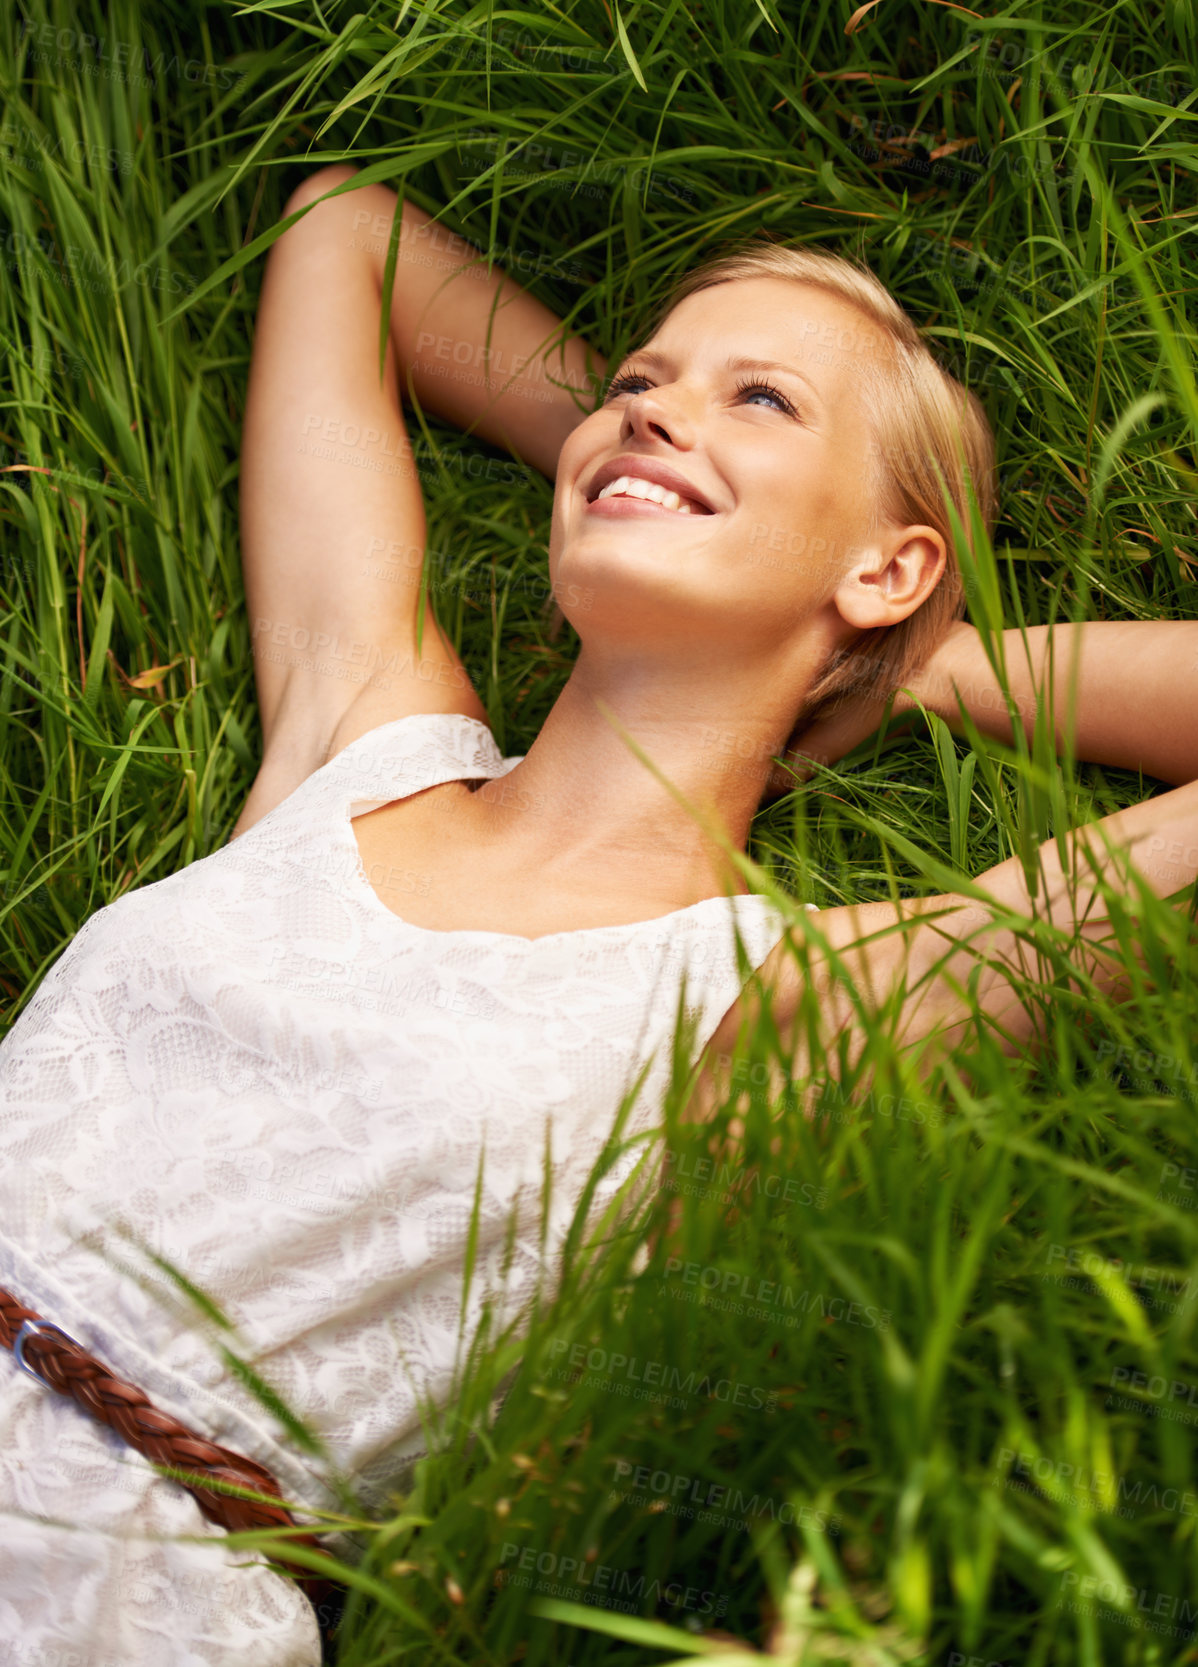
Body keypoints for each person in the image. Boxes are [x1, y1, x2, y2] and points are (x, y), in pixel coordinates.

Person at [1, 161, 1195, 1664]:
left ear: (893, 567)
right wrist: (648, 457)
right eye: (640, 378)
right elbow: (342, 234)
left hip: (96, 1595)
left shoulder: (797, 1007)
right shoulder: (359, 737)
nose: (654, 404)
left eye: (762, 400)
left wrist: (911, 660)